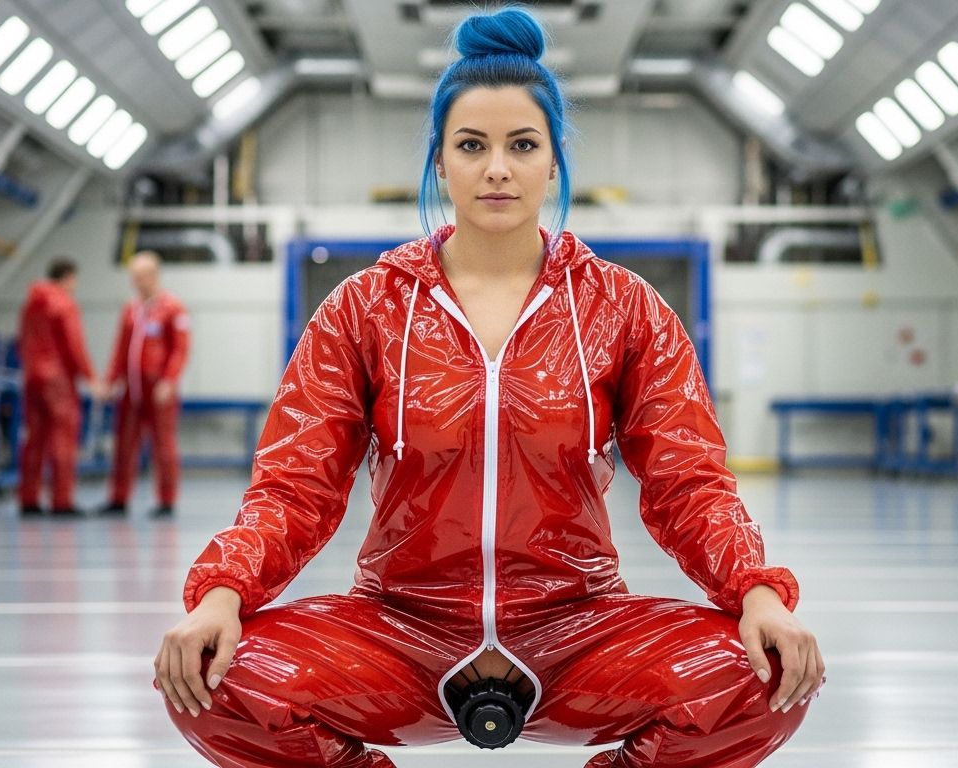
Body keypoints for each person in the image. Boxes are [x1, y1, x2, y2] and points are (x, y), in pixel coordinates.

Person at [154, 8, 822, 768]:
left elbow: (690, 481)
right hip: (400, 630)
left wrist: (757, 592)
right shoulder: (365, 307)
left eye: (522, 145)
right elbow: (292, 486)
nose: (497, 168)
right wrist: (223, 593)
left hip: (579, 630)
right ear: (441, 163)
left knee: (763, 676)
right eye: (472, 145)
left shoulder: (623, 308)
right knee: (217, 677)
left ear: (553, 162)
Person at [100, 251, 190, 518]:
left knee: (163, 445)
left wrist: (169, 380)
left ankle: (166, 500)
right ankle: (118, 498)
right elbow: (121, 349)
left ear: (153, 276)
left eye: (140, 277)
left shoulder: (173, 308)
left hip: (158, 389)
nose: (136, 283)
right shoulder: (131, 310)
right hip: (131, 389)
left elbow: (180, 349)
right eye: (133, 277)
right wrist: (111, 381)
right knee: (124, 443)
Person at [17, 258, 101, 517]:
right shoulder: (64, 303)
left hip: (32, 377)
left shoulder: (31, 303)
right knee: (63, 441)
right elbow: (74, 345)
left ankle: (29, 500)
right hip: (58, 380)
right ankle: (61, 501)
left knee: (34, 440)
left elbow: (22, 340)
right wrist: (90, 378)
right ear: (69, 277)